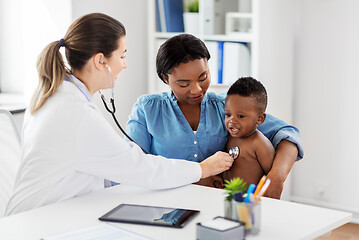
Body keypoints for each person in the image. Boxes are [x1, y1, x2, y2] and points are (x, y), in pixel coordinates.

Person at [5, 13, 234, 216]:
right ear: (101, 61)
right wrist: (202, 168)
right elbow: (138, 168)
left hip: (36, 216)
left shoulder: (54, 95)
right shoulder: (77, 113)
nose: (125, 65)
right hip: (38, 221)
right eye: (122, 55)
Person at [126, 33, 304, 198]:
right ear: (166, 79)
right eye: (184, 83)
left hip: (218, 203)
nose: (196, 89)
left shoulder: (227, 107)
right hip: (165, 201)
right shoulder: (148, 109)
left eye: (203, 77)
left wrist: (276, 178)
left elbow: (287, 135)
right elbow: (132, 165)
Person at [223, 77, 275, 186]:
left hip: (249, 200)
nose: (231, 120)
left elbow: (272, 180)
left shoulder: (260, 144)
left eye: (240, 116)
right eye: (228, 114)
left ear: (259, 118)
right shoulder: (229, 137)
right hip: (229, 196)